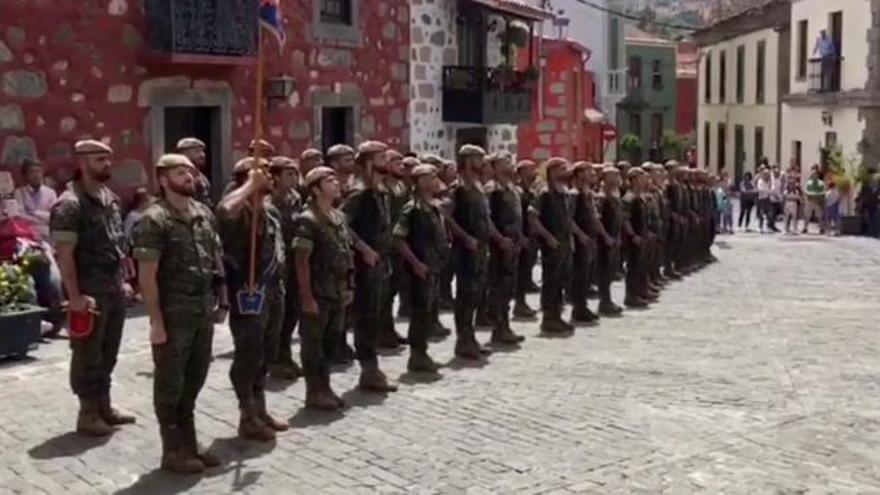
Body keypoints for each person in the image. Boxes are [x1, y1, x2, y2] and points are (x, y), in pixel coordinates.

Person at [133, 154, 227, 473]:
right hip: (173, 315)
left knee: (194, 379)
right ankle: (172, 449)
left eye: (190, 171)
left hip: (202, 310)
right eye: (179, 172)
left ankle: (188, 441)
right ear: (162, 179)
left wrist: (222, 299)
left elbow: (215, 258)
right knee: (170, 384)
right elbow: (147, 275)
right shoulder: (154, 219)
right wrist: (155, 322)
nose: (189, 176)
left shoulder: (203, 213)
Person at [51, 140, 134, 437]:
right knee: (88, 354)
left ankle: (104, 406)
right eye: (100, 160)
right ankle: (87, 412)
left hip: (112, 287)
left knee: (109, 351)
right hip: (88, 291)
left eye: (108, 159)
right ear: (83, 162)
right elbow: (64, 254)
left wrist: (124, 279)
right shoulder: (69, 204)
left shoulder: (110, 198)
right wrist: (74, 296)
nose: (107, 165)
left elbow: (116, 242)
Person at [216, 157, 288, 441]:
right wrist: (250, 185)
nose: (269, 177)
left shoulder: (269, 213)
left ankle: (260, 408)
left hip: (273, 290)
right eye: (263, 173)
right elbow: (224, 210)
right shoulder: (240, 211)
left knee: (267, 352)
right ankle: (247, 414)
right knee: (249, 353)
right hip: (249, 293)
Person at [293, 166, 354, 411]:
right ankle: (314, 391)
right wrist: (307, 296)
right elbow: (301, 260)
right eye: (330, 182)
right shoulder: (307, 219)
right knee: (313, 345)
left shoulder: (338, 217)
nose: (336, 185)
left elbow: (346, 252)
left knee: (330, 343)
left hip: (337, 290)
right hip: (318, 292)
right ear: (316, 189)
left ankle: (325, 386)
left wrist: (350, 284)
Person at [341, 141, 399, 392]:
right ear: (367, 163)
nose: (385, 161)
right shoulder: (359, 192)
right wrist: (364, 249)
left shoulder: (381, 191)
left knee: (377, 315)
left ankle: (372, 367)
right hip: (366, 265)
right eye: (380, 157)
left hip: (382, 262)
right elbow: (341, 224)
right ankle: (369, 369)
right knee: (366, 317)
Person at [393, 164, 449, 372]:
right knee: (420, 313)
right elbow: (398, 239)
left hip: (432, 267)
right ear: (420, 182)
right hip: (419, 269)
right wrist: (415, 263)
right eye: (431, 177)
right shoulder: (412, 209)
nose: (435, 181)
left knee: (427, 312)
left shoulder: (433, 206)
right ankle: (417, 355)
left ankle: (422, 353)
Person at [444, 145, 494, 359]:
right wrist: (464, 237)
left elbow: (486, 219)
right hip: (465, 250)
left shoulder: (478, 187)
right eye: (478, 158)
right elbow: (446, 216)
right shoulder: (458, 188)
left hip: (481, 248)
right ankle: (463, 340)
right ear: (467, 161)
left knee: (476, 294)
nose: (482, 163)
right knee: (465, 295)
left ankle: (470, 337)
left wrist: (496, 238)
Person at [266, 156, 304, 382]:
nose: (293, 178)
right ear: (276, 177)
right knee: (278, 315)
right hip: (278, 264)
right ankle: (276, 359)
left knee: (293, 311)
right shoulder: (270, 204)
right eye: (288, 174)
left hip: (295, 261)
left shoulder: (296, 199)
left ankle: (286, 353)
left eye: (295, 173)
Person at [528, 157, 575, 333]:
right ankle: (549, 318)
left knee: (561, 281)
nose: (566, 172)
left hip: (564, 243)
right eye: (562, 169)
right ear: (553, 171)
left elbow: (568, 219)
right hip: (552, 245)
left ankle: (556, 316)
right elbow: (533, 218)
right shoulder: (544, 193)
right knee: (551, 282)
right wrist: (547, 237)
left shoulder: (563, 192)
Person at [485, 152, 525, 344]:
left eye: (510, 161)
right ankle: (498, 327)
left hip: (513, 245)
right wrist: (499, 239)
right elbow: (486, 220)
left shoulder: (512, 189)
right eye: (504, 162)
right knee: (498, 287)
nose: (509, 164)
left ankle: (505, 325)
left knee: (508, 287)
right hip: (498, 246)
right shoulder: (492, 190)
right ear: (494, 167)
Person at [570, 162, 610, 324]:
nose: (592, 173)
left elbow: (594, 218)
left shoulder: (588, 194)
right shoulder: (574, 194)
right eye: (588, 171)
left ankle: (582, 305)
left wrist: (601, 234)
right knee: (579, 275)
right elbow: (569, 218)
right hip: (581, 240)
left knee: (586, 275)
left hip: (590, 239)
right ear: (579, 174)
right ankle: (578, 308)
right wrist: (580, 235)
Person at [378, 149, 409, 349]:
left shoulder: (400, 188)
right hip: (385, 246)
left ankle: (388, 329)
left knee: (393, 290)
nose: (401, 165)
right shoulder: (382, 189)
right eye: (395, 162)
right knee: (384, 292)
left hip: (398, 244)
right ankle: (381, 332)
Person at [596, 166, 624, 316]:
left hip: (613, 239)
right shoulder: (602, 197)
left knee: (610, 271)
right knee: (604, 271)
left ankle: (608, 300)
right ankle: (604, 301)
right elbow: (598, 220)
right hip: (603, 240)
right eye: (613, 176)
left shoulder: (614, 197)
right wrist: (606, 236)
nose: (617, 178)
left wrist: (618, 236)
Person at [513, 159, 539, 318]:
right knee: (520, 271)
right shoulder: (518, 192)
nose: (534, 173)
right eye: (530, 170)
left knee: (526, 270)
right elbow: (516, 216)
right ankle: (519, 303)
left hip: (531, 237)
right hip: (521, 237)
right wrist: (520, 236)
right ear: (521, 172)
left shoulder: (531, 192)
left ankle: (521, 302)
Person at [622, 167, 650, 308]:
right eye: (641, 177)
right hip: (634, 238)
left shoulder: (640, 197)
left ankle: (639, 291)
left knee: (640, 266)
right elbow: (625, 219)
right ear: (633, 180)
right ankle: (631, 295)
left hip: (642, 236)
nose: (644, 180)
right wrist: (633, 235)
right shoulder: (629, 198)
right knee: (633, 267)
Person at [14, 159, 57, 242]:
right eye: (32, 172)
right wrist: (40, 219)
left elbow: (54, 217)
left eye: (38, 171)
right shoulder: (19, 193)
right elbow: (20, 216)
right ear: (26, 176)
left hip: (48, 234)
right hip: (27, 234)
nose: (36, 175)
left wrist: (34, 213)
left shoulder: (50, 192)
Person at [176, 138, 214, 208]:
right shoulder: (177, 176)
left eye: (202, 151)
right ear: (184, 154)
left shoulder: (203, 178)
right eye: (197, 151)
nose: (202, 155)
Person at [756, 168, 776, 233]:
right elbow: (760, 189)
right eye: (765, 174)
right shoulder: (760, 181)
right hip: (761, 199)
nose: (767, 175)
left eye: (768, 174)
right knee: (761, 213)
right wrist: (768, 191)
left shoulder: (770, 181)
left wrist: (768, 191)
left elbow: (773, 189)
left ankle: (768, 227)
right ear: (763, 174)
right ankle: (760, 227)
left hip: (767, 199)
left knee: (770, 213)